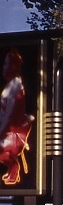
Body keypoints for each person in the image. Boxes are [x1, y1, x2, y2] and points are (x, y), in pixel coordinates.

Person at [0, 48, 34, 186]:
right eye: (4, 64)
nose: (4, 68)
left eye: (7, 64)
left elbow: (10, 113)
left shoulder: (15, 84)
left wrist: (1, 130)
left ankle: (14, 168)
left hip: (13, 130)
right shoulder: (11, 85)